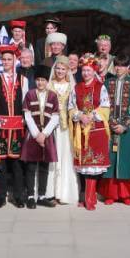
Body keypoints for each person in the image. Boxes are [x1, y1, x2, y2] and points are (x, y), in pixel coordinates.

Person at [101, 57, 130, 205]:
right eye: (117, 66)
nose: (119, 69)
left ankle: (126, 194)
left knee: (126, 159)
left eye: (122, 66)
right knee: (111, 159)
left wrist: (124, 125)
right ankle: (111, 194)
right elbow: (104, 104)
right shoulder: (107, 83)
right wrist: (112, 123)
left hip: (128, 129)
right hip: (111, 127)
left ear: (128, 67)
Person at [69, 56, 111, 210]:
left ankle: (90, 198)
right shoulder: (76, 87)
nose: (86, 73)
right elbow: (71, 107)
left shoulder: (101, 87)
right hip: (81, 129)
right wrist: (80, 116)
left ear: (94, 72)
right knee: (82, 165)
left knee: (94, 165)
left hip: (96, 129)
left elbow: (105, 106)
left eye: (89, 70)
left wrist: (90, 116)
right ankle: (85, 197)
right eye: (84, 70)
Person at [0, 44, 29, 208]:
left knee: (17, 164)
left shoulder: (23, 79)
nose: (6, 62)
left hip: (18, 128)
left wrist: (27, 127)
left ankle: (18, 196)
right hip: (2, 128)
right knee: (1, 164)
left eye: (9, 59)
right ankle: (1, 196)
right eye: (4, 59)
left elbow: (25, 105)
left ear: (15, 60)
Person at [22, 65, 60, 208]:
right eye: (38, 80)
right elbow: (27, 116)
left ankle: (42, 196)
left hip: (47, 136)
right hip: (33, 135)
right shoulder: (30, 94)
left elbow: (55, 117)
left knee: (44, 166)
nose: (40, 83)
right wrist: (36, 134)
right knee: (31, 167)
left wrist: (44, 134)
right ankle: (31, 196)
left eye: (43, 80)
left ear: (47, 81)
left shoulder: (53, 96)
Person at [44, 57, 79, 205]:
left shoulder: (72, 86)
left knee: (66, 157)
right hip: (52, 127)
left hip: (66, 128)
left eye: (63, 69)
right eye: (57, 68)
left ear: (67, 71)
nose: (60, 71)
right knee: (53, 158)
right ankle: (51, 192)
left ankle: (64, 192)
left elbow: (75, 106)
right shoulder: (49, 85)